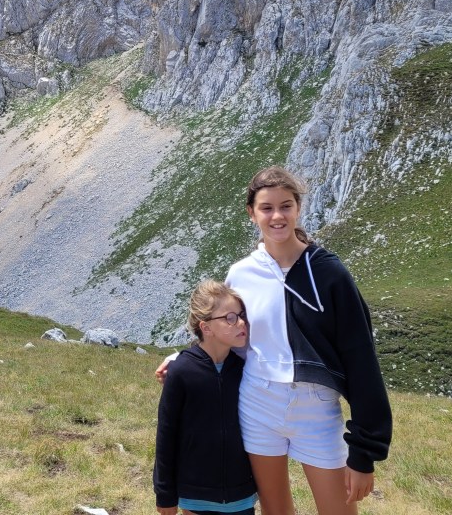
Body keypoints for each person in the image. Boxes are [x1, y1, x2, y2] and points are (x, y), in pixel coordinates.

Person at [157, 166, 392, 515]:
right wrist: (185, 358)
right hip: (258, 404)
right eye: (266, 208)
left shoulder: (329, 273)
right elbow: (226, 330)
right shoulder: (241, 273)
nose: (277, 216)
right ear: (252, 213)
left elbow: (360, 358)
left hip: (316, 408)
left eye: (286, 206)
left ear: (298, 209)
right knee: (275, 510)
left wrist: (364, 452)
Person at [154, 279, 257, 515]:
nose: (241, 322)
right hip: (194, 495)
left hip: (241, 494)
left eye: (241, 315)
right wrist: (165, 494)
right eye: (230, 318)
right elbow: (166, 434)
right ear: (206, 328)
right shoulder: (181, 371)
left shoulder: (244, 369)